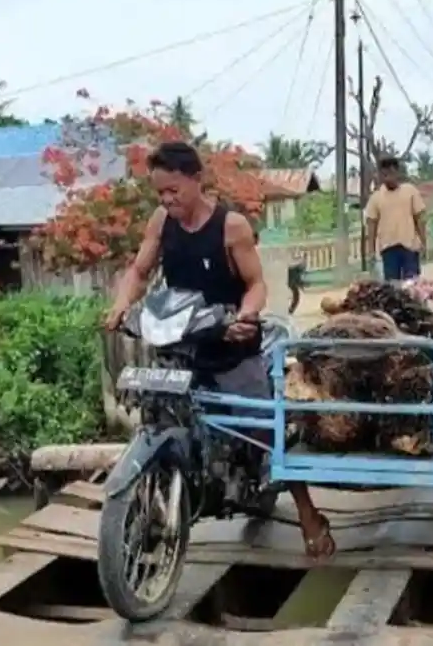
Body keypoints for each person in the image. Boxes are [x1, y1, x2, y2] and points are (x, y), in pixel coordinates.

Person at [103, 141, 334, 558]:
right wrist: (122, 304)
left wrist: (245, 315)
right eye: (160, 193)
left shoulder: (231, 227)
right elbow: (139, 271)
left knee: (266, 428)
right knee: (158, 415)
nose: (167, 200)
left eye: (174, 190)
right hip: (181, 346)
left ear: (196, 180)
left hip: (230, 344)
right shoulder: (161, 222)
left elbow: (257, 284)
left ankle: (308, 513)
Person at [365, 156, 426, 281]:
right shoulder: (376, 197)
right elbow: (371, 225)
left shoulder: (410, 191)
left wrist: (423, 242)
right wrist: (371, 251)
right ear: (381, 175)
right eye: (385, 174)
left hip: (410, 247)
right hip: (389, 248)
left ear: (397, 172)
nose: (389, 177)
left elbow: (419, 218)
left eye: (392, 173)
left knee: (412, 285)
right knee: (392, 287)